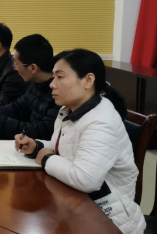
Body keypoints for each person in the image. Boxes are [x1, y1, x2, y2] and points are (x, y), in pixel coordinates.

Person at [15, 49, 145, 234]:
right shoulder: (70, 110)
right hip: (77, 204)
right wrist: (37, 147)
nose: (52, 84)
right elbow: (64, 147)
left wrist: (46, 158)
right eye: (53, 77)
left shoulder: (101, 121)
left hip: (109, 219)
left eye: (60, 77)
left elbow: (86, 179)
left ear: (88, 80)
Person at [0, 34, 59, 140]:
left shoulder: (58, 93)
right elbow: (16, 108)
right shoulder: (35, 83)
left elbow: (41, 131)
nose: (14, 68)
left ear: (33, 68)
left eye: (17, 64)